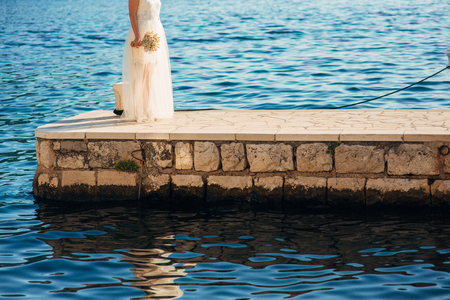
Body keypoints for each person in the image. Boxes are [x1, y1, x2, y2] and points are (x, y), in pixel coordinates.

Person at [122, 0, 174, 122]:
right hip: (141, 33)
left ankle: (148, 108)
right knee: (140, 74)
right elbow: (132, 14)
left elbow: (156, 15)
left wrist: (158, 36)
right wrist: (137, 36)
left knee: (150, 74)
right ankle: (138, 110)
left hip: (154, 34)